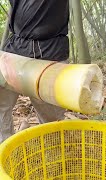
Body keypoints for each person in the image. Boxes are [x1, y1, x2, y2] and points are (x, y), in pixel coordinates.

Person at [0, 0, 69, 143]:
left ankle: (53, 157)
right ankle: (6, 154)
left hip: (50, 52)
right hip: (15, 48)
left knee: (51, 120)